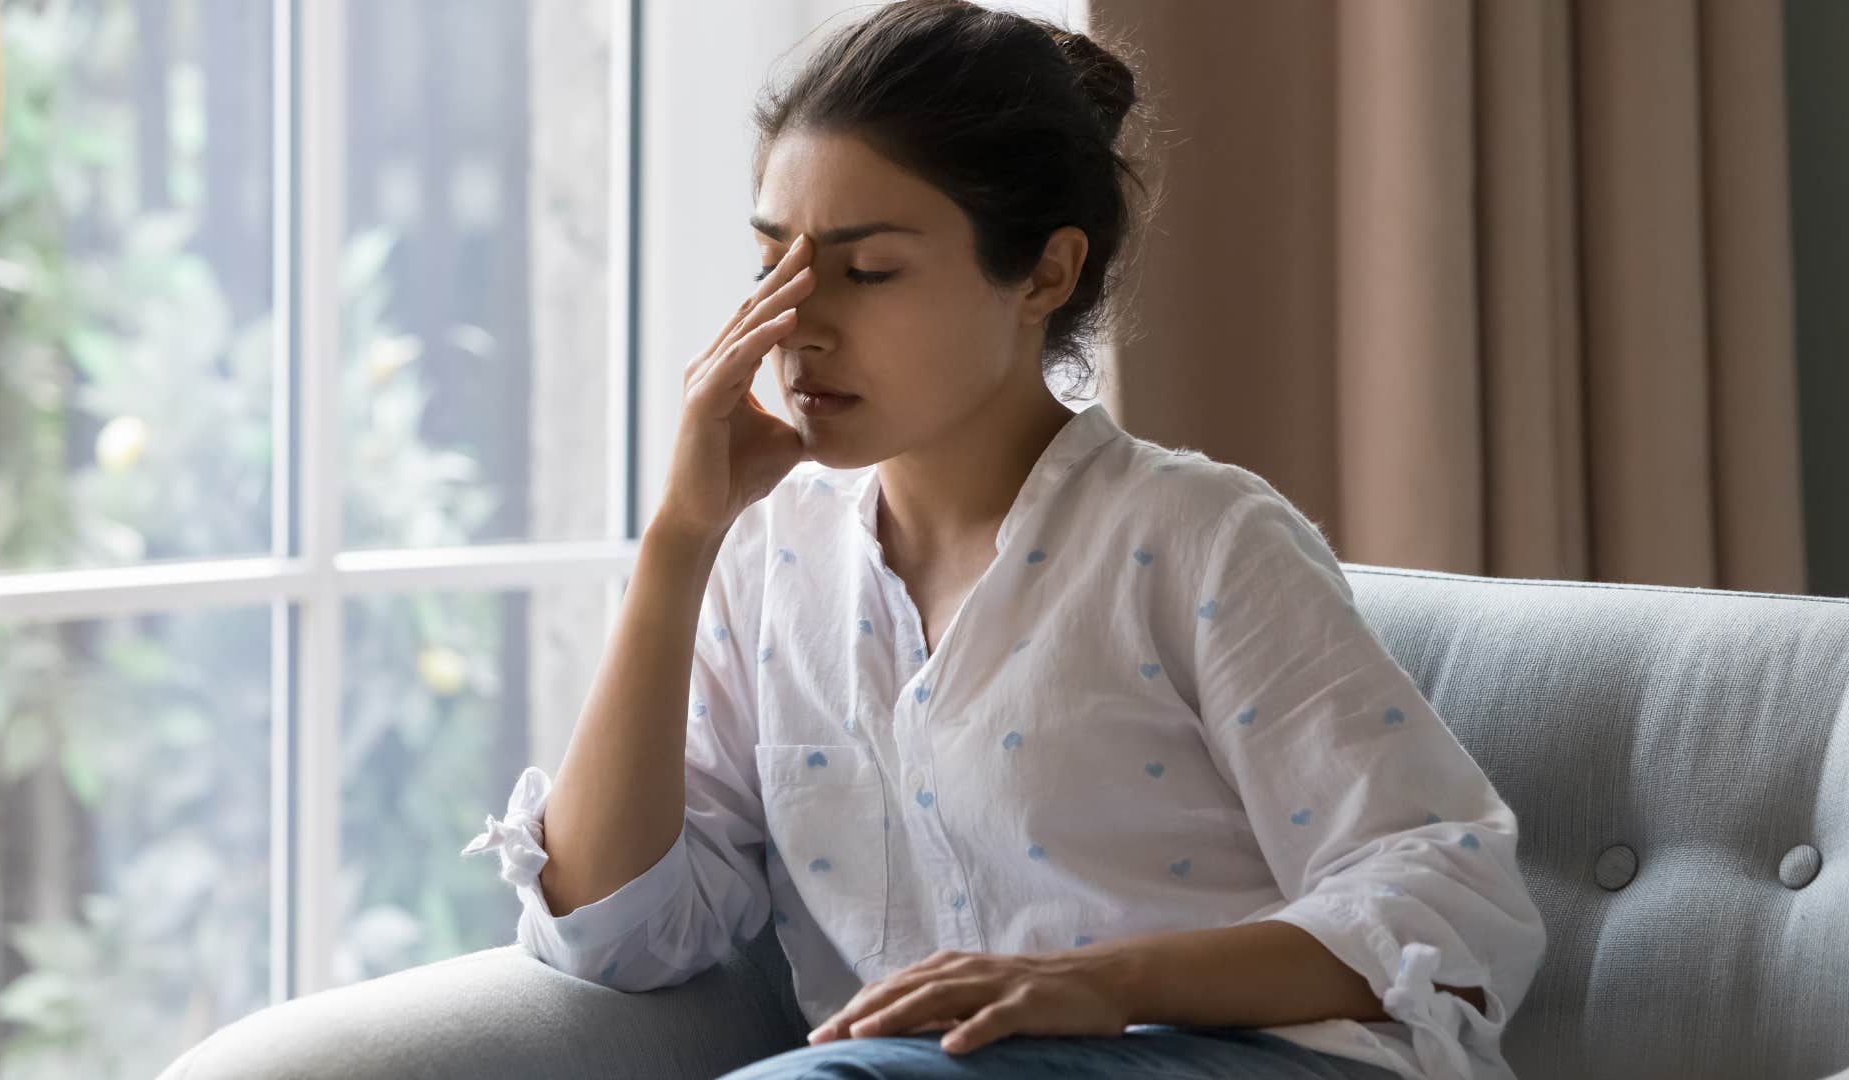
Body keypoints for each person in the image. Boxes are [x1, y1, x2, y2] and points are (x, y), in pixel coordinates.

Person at [462, 2, 1546, 1078]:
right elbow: (613, 932)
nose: (798, 326)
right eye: (772, 267)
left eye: (866, 269)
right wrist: (678, 539)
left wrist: (1103, 986)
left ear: (1043, 274)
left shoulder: (1198, 539)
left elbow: (1447, 895)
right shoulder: (770, 562)